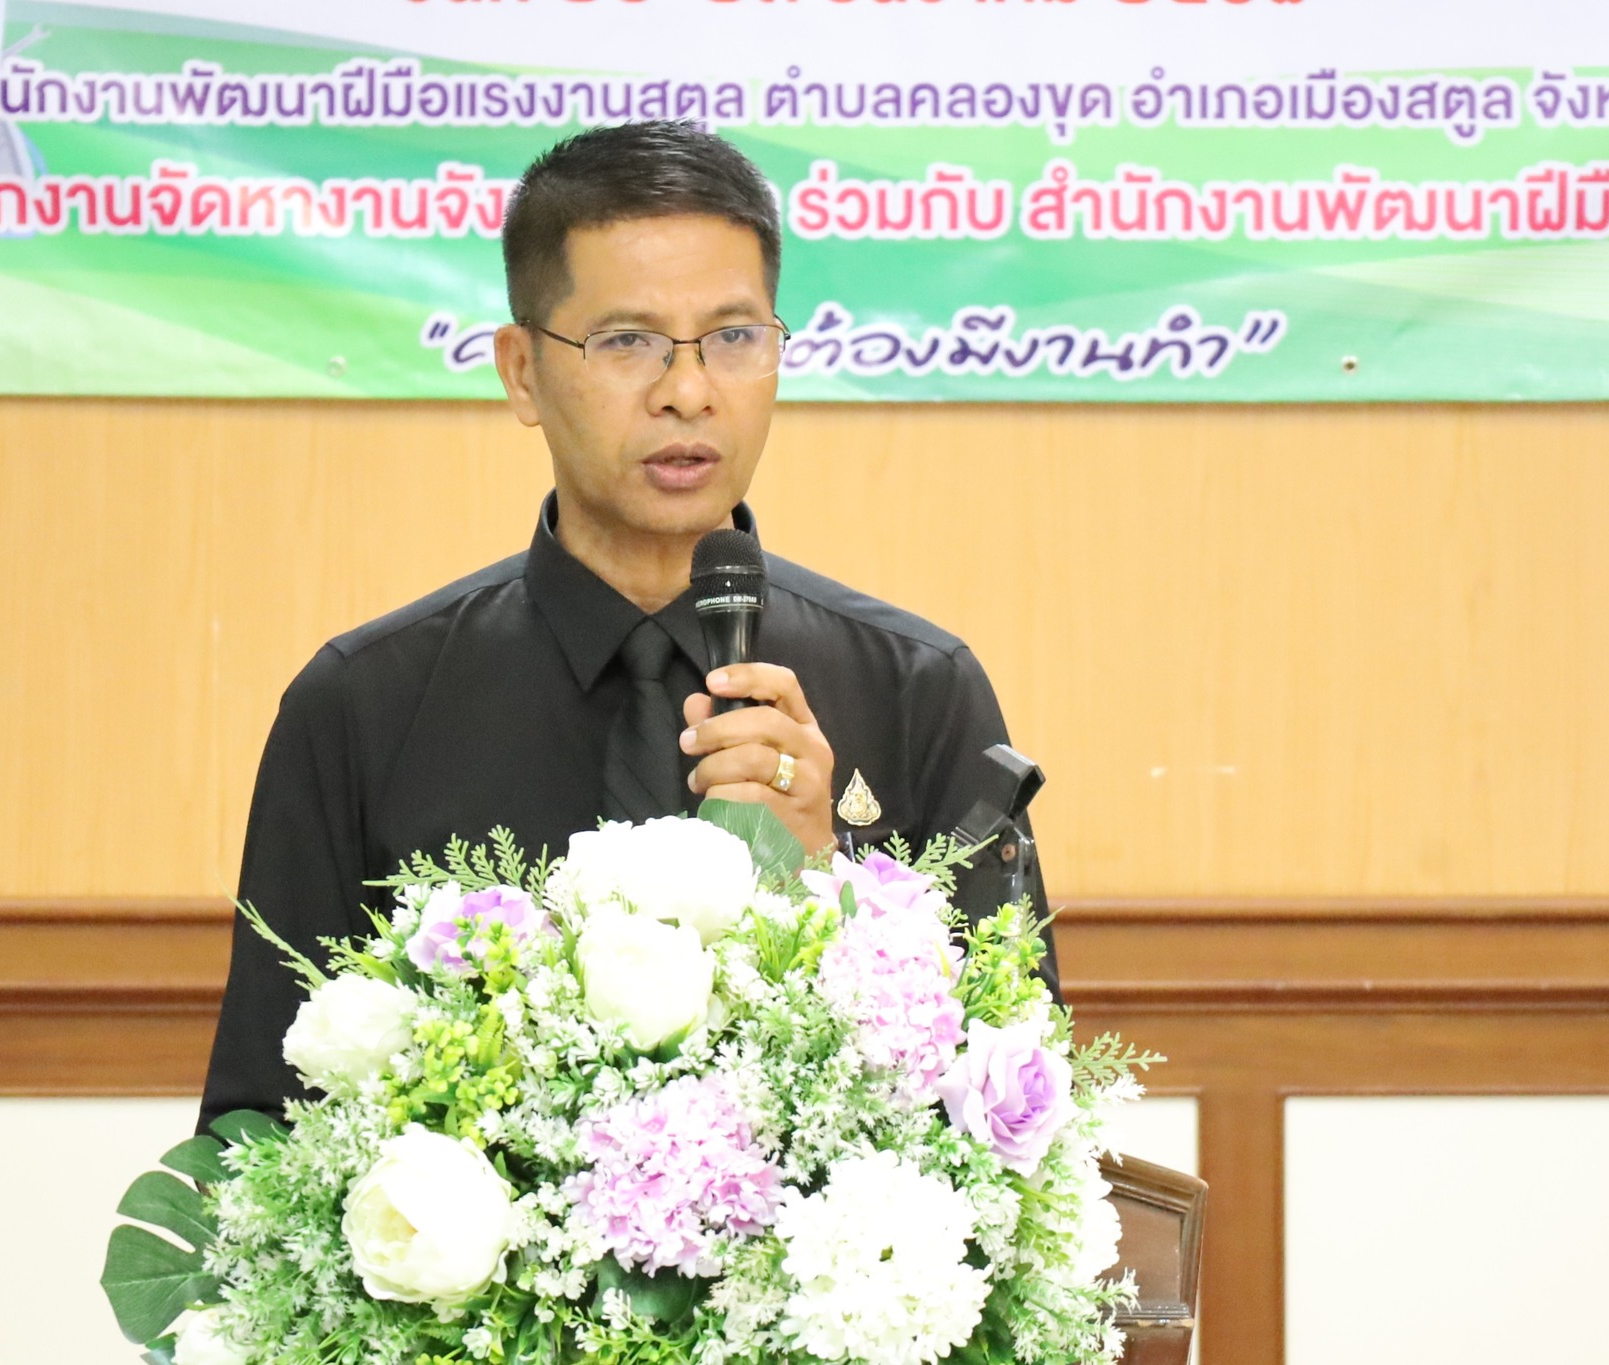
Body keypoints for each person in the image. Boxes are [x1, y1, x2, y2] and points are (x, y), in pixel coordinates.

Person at [199, 121, 1056, 1130]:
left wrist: (824, 890)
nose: (687, 392)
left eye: (734, 338)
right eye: (626, 342)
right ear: (522, 370)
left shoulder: (917, 690)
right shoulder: (363, 707)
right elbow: (257, 1134)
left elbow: (1018, 1127)